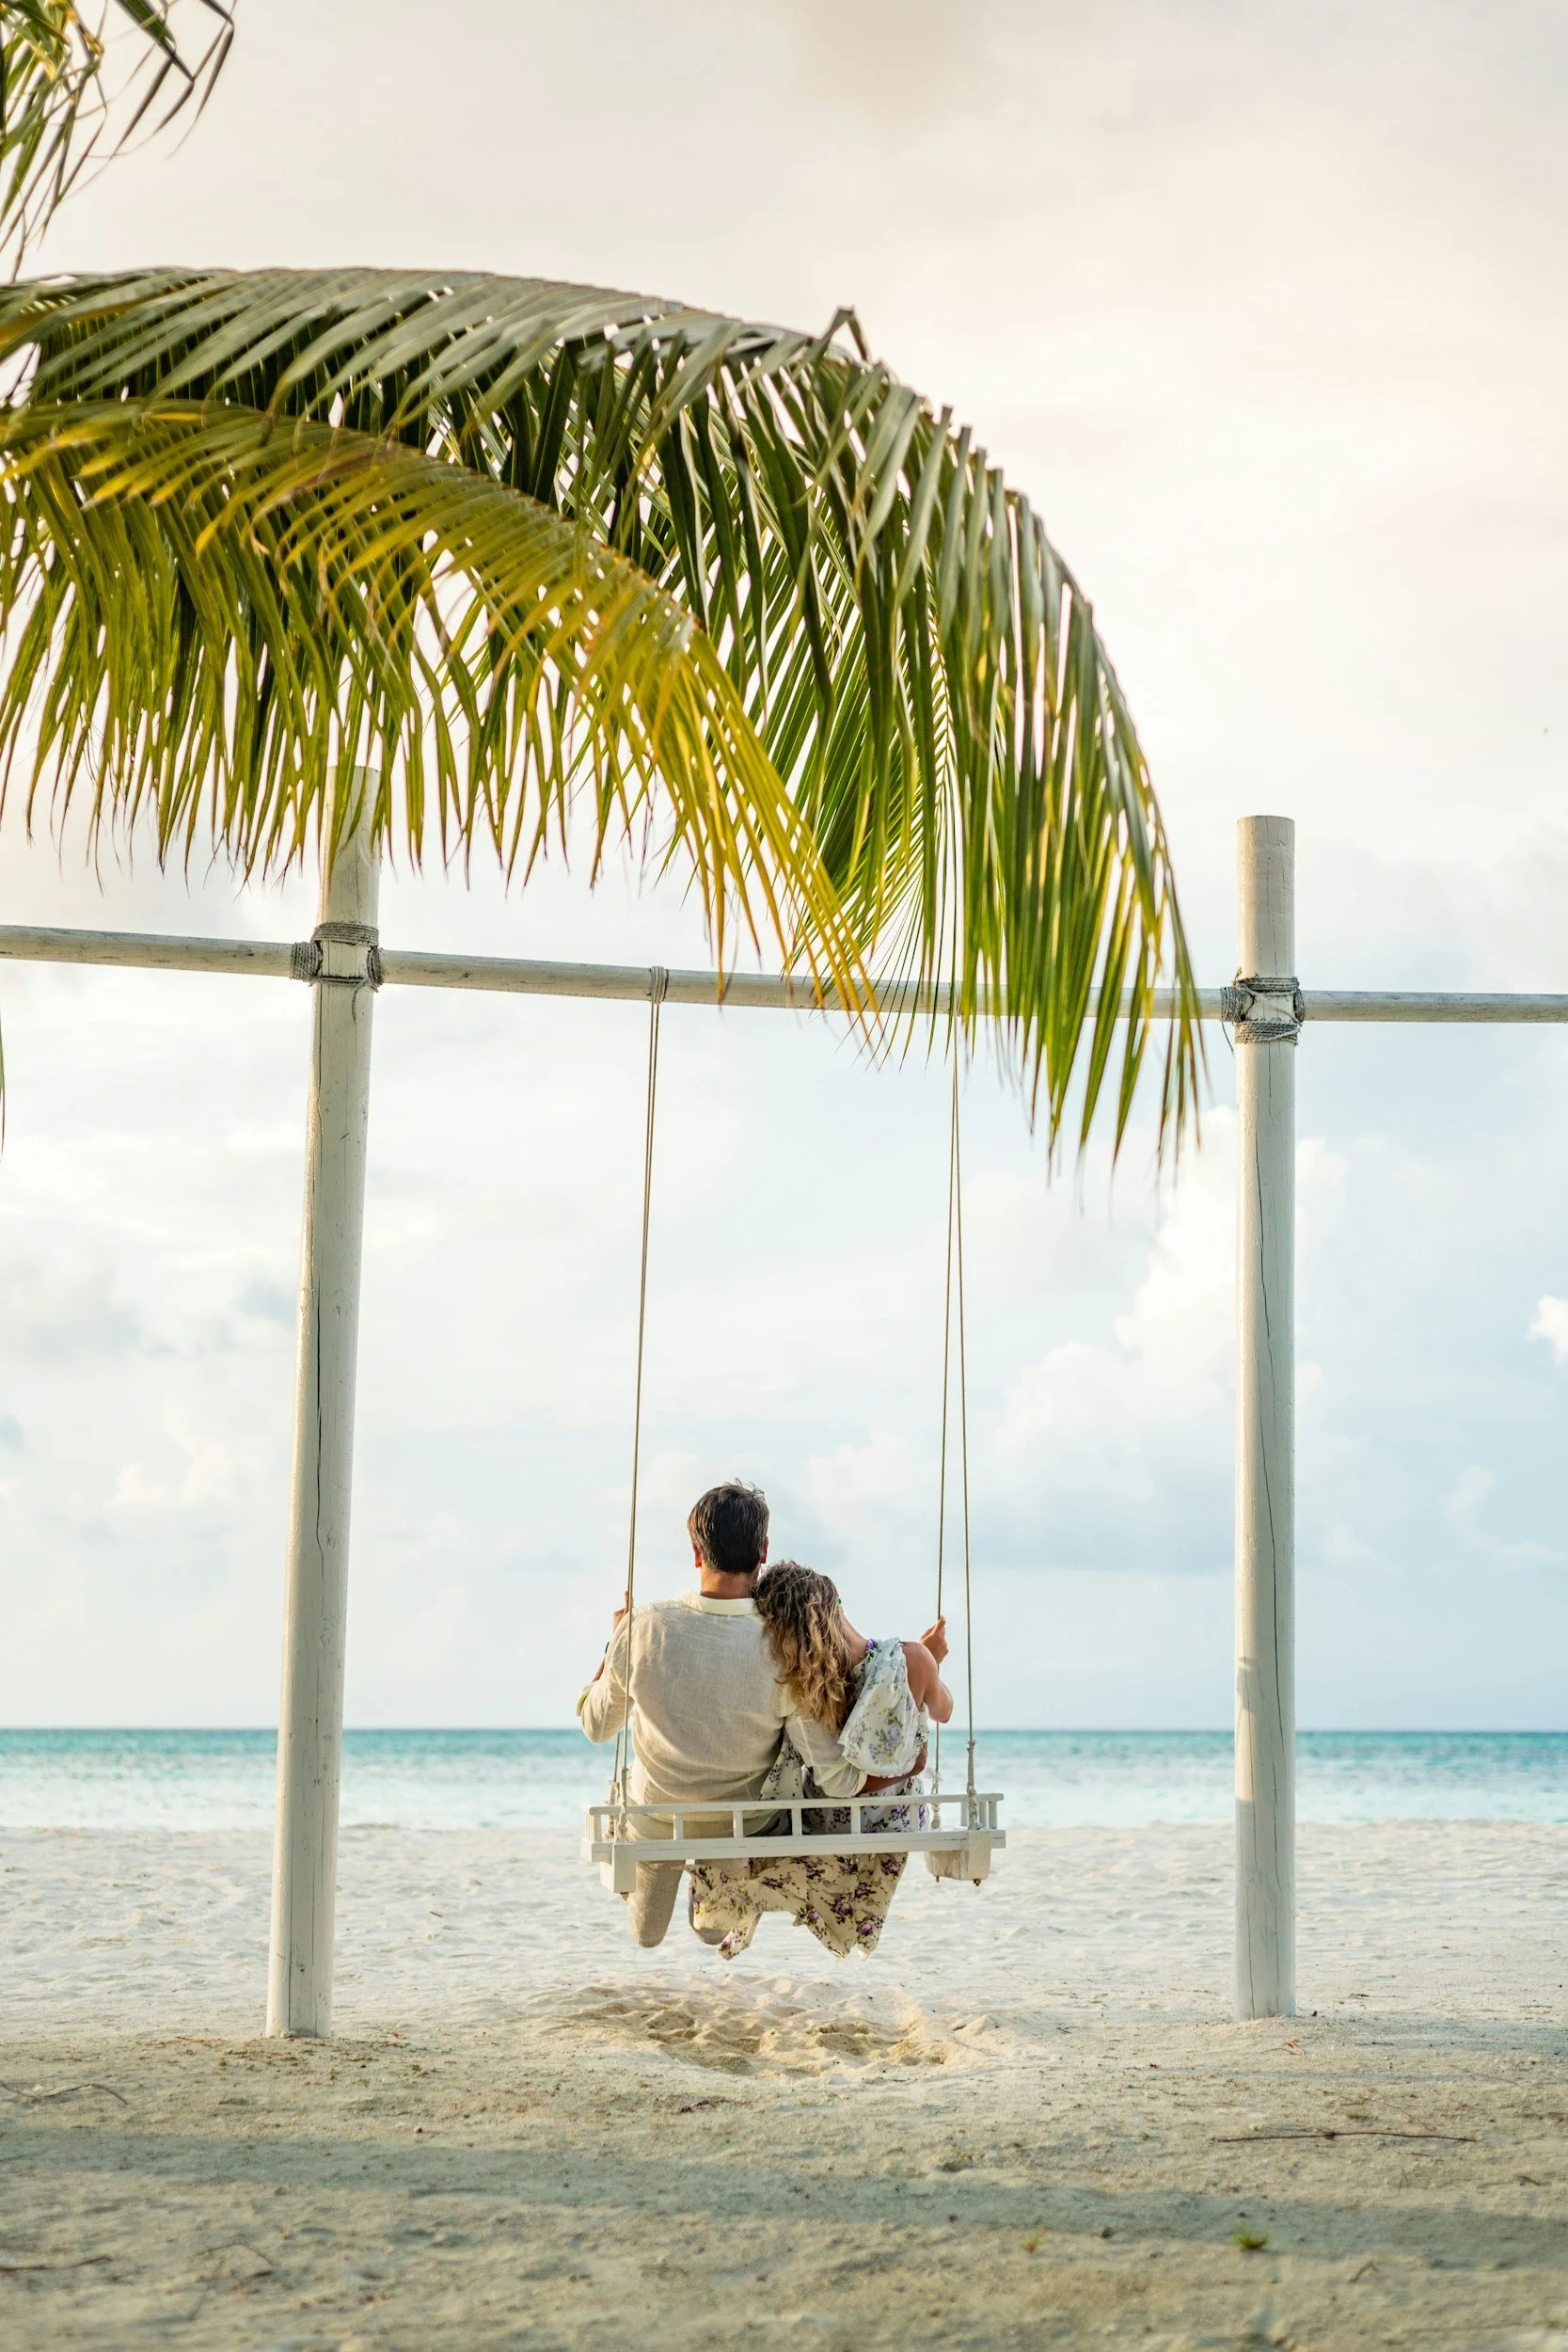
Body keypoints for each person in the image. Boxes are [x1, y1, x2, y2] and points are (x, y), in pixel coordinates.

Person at [578, 1482, 906, 1948]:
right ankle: (710, 1892)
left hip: (653, 1816)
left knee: (646, 1935)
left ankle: (671, 1880)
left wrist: (615, 1643)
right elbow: (835, 1777)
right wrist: (904, 1764)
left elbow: (596, 1727)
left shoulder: (644, 1628)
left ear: (696, 1552)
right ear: (764, 1552)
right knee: (714, 1932)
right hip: (740, 1824)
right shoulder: (786, 1646)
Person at [688, 1560, 952, 1960]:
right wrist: (931, 1666)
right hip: (892, 1820)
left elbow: (831, 1781)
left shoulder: (807, 1684)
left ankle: (730, 1895)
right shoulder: (912, 1658)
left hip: (825, 1817)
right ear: (837, 1604)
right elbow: (943, 1711)